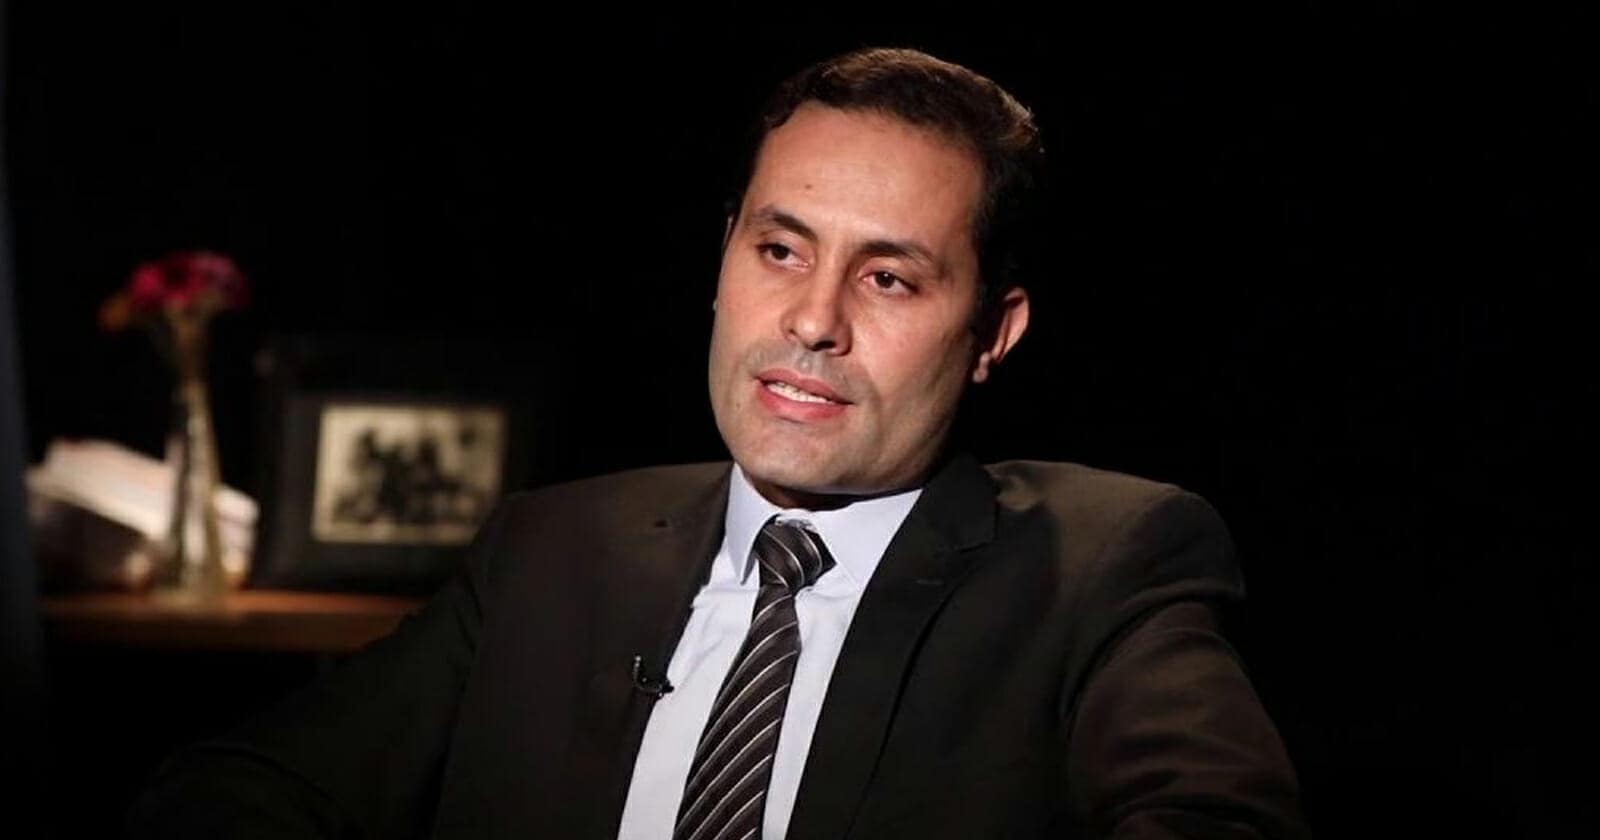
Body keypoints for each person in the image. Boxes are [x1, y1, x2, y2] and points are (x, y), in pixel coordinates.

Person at [132, 47, 1307, 839]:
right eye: (779, 251)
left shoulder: (1101, 569)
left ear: (993, 332)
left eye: (888, 278)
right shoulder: (550, 549)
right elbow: (242, 788)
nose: (811, 321)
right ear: (723, 257)